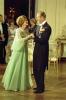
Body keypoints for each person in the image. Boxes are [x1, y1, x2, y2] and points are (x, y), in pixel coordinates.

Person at [2, 15, 33, 91]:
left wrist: (30, 37)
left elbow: (24, 40)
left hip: (23, 50)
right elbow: (19, 40)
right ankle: (14, 84)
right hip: (19, 51)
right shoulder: (18, 30)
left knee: (23, 67)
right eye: (26, 22)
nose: (27, 23)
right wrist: (28, 37)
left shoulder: (25, 30)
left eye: (27, 22)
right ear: (22, 22)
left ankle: (21, 83)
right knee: (17, 66)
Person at [33, 11, 52, 93]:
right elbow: (34, 34)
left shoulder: (47, 27)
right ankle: (38, 85)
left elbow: (44, 40)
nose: (37, 18)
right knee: (35, 68)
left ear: (42, 17)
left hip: (42, 51)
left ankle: (40, 88)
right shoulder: (38, 26)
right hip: (36, 50)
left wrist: (34, 38)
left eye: (38, 17)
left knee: (40, 69)